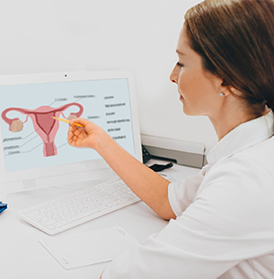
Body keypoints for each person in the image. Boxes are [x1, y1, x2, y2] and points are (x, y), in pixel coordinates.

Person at [67, 0, 274, 278]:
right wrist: (100, 141)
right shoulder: (256, 148)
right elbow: (169, 201)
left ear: (225, 80)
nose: (172, 76)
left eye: (181, 62)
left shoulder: (246, 181)